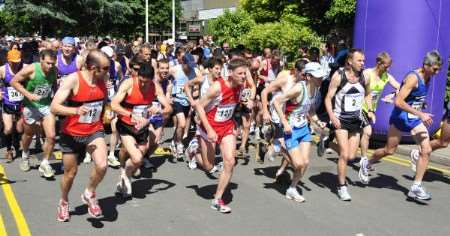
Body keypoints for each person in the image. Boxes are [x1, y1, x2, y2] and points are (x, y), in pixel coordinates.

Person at [359, 51, 442, 200]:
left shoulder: (428, 77)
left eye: (439, 69)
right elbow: (398, 102)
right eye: (435, 69)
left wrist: (420, 106)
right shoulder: (412, 78)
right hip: (400, 118)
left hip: (414, 120)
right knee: (389, 150)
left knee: (426, 149)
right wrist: (421, 114)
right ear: (426, 65)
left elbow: (414, 99)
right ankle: (367, 163)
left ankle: (415, 187)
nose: (438, 72)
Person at [52, 49, 110, 222]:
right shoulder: (73, 80)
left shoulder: (102, 79)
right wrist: (75, 110)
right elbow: (54, 107)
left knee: (102, 165)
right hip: (71, 133)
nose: (109, 71)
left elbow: (103, 101)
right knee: (70, 174)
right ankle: (63, 201)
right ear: (93, 68)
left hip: (93, 130)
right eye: (105, 68)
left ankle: (89, 193)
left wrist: (108, 112)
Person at [194, 58, 250, 213]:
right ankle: (194, 152)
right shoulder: (218, 87)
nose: (243, 76)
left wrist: (236, 121)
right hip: (208, 128)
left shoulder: (241, 86)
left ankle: (217, 199)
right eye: (240, 73)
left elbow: (232, 106)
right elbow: (199, 106)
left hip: (226, 127)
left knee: (230, 161)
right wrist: (209, 129)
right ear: (230, 73)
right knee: (208, 166)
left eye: (245, 73)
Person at [111, 61, 172, 198]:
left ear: (152, 79)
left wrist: (159, 111)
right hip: (126, 125)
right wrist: (131, 115)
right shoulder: (129, 84)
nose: (143, 85)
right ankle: (125, 176)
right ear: (138, 76)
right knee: (137, 157)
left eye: (146, 82)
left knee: (137, 160)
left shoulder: (155, 87)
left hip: (142, 128)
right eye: (141, 81)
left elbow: (169, 108)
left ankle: (124, 176)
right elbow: (114, 104)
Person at [273, 62, 326, 202]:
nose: (321, 79)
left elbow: (310, 109)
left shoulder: (316, 90)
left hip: (303, 128)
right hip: (291, 129)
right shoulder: (298, 88)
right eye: (317, 76)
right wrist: (284, 122)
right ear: (308, 77)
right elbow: (276, 102)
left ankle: (292, 188)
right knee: (298, 164)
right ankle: (278, 145)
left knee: (305, 162)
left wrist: (317, 121)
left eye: (321, 76)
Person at [324, 48, 371, 201]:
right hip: (340, 119)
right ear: (350, 61)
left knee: (351, 156)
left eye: (363, 60)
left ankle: (328, 143)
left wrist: (369, 110)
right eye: (360, 60)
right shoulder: (339, 76)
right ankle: (341, 186)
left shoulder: (364, 77)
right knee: (344, 154)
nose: (363, 63)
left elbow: (368, 94)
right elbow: (328, 98)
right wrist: (332, 117)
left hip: (355, 120)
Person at [11, 49, 58, 178]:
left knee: (52, 136)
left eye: (53, 63)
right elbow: (13, 82)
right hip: (30, 107)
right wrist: (28, 95)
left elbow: (53, 84)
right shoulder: (31, 69)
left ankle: (45, 163)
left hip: (46, 105)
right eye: (48, 63)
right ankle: (25, 155)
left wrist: (55, 97)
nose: (50, 66)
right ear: (41, 59)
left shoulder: (54, 70)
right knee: (28, 134)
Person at [358, 52, 400, 164]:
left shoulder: (386, 76)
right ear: (378, 63)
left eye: (389, 66)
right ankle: (364, 160)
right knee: (367, 132)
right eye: (386, 66)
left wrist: (393, 94)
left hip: (371, 109)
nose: (388, 69)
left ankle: (329, 140)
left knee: (359, 134)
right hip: (360, 107)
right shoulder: (367, 74)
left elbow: (400, 87)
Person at [0, 49, 24, 162]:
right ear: (8, 60)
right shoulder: (3, 70)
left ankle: (17, 143)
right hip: (7, 102)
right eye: (13, 61)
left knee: (19, 129)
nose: (16, 63)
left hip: (21, 103)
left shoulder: (24, 68)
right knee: (8, 128)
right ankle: (9, 149)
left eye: (18, 61)